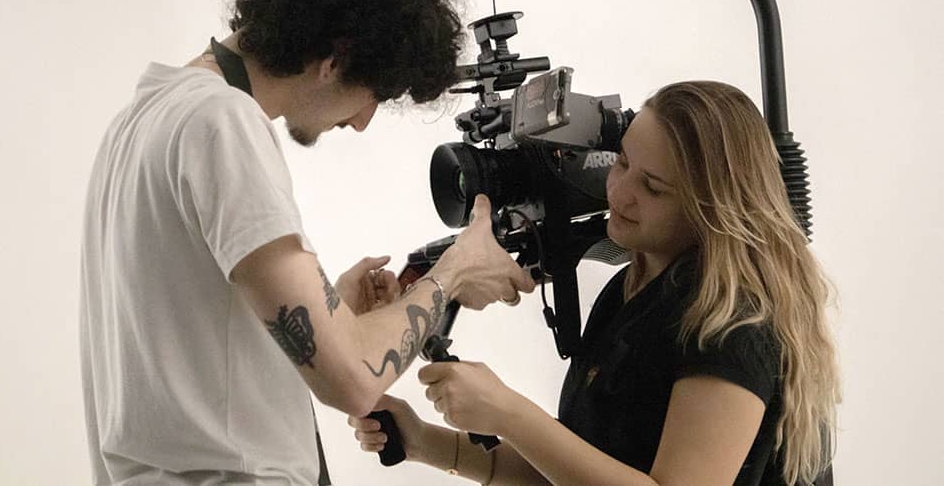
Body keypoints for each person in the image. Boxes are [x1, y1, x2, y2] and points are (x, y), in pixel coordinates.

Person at [79, 0, 535, 485]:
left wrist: (331, 315)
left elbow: (191, 350)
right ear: (334, 61)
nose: (365, 120)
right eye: (378, 92)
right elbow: (352, 380)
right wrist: (454, 273)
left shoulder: (147, 113)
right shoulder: (224, 124)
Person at [349, 80, 840, 485]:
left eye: (652, 187)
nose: (620, 192)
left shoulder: (735, 324)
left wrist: (509, 413)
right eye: (622, 162)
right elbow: (573, 472)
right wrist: (427, 442)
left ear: (711, 209)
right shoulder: (634, 288)